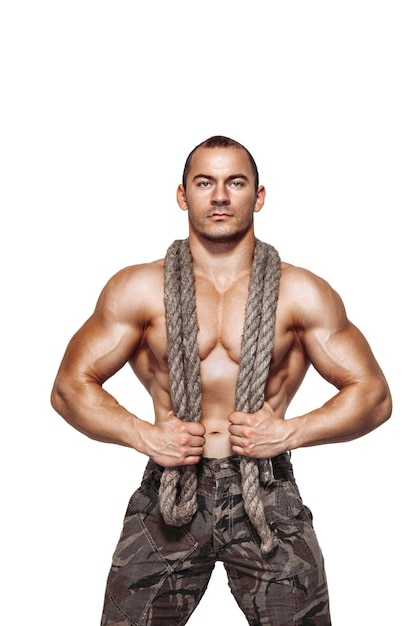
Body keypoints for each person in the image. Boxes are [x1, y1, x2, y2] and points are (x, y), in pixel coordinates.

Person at [51, 135, 392, 626]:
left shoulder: (301, 292)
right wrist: (142, 434)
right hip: (170, 486)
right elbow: (69, 386)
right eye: (204, 182)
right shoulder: (139, 288)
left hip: (266, 492)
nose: (219, 196)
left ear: (258, 196)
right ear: (182, 195)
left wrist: (290, 432)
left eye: (235, 183)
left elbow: (374, 396)